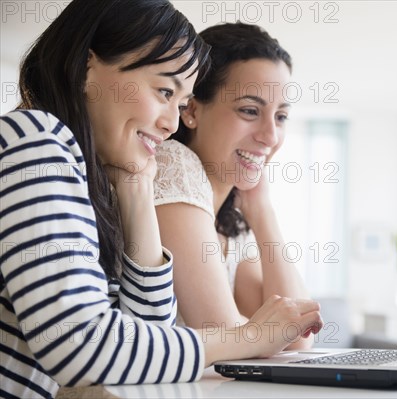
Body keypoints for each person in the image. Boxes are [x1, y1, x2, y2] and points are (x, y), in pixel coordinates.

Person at [0, 2, 322, 398]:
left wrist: (135, 188)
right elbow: (78, 346)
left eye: (181, 102)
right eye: (165, 92)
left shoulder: (89, 175)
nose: (171, 123)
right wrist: (250, 337)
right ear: (87, 69)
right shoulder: (35, 139)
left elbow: (151, 331)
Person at [154, 23, 311, 348]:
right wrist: (261, 332)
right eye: (250, 110)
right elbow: (224, 332)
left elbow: (298, 336)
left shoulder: (229, 221)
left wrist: (262, 212)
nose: (270, 136)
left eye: (280, 117)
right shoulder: (173, 164)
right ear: (193, 109)